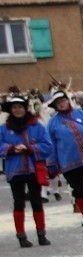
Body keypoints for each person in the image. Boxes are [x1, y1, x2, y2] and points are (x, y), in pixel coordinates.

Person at [1, 95, 54, 247]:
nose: (17, 110)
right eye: (14, 108)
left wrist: (30, 148)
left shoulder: (36, 126)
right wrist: (10, 149)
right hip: (14, 170)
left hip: (33, 169)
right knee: (18, 202)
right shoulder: (4, 128)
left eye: (20, 107)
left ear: (25, 108)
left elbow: (47, 146)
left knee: (37, 201)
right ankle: (21, 236)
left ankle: (41, 234)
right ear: (11, 110)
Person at [46, 91, 83, 226]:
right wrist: (52, 163)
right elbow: (50, 144)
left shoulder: (82, 115)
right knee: (79, 189)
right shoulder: (52, 123)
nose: (61, 104)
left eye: (63, 101)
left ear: (68, 101)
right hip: (69, 162)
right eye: (58, 103)